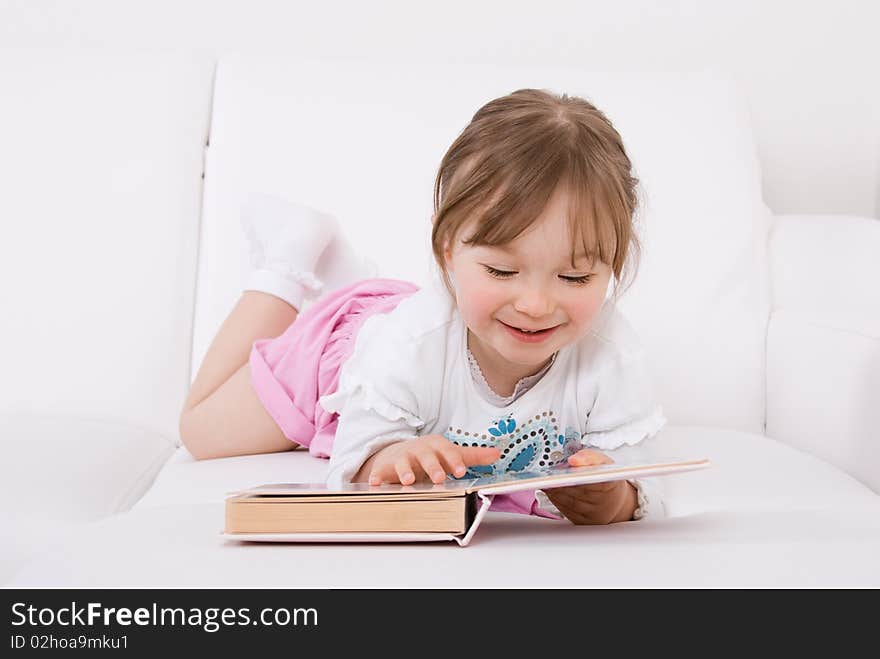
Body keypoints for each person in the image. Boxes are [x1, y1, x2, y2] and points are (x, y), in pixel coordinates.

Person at [179, 88, 668, 525]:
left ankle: (351, 272)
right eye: (501, 271)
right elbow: (356, 456)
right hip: (342, 361)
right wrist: (389, 457)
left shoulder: (613, 357)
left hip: (406, 349)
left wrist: (614, 499)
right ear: (446, 249)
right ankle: (290, 260)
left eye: (574, 277)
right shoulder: (408, 344)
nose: (536, 305)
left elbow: (643, 480)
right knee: (202, 431)